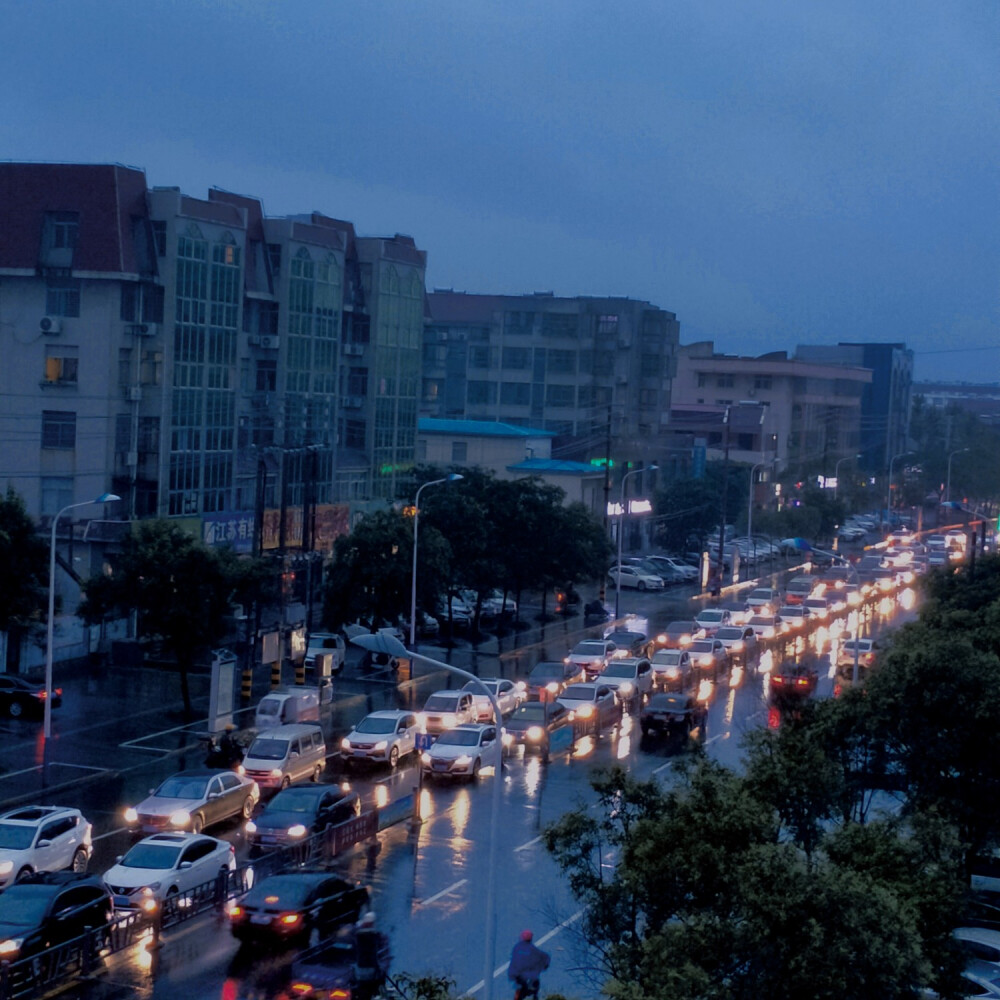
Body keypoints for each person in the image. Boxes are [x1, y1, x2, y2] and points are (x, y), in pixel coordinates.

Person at [508, 929, 550, 1000]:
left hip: (516, 975)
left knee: (519, 989)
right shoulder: (533, 950)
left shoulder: (517, 947)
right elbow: (544, 957)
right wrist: (545, 965)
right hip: (529, 976)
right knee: (534, 985)